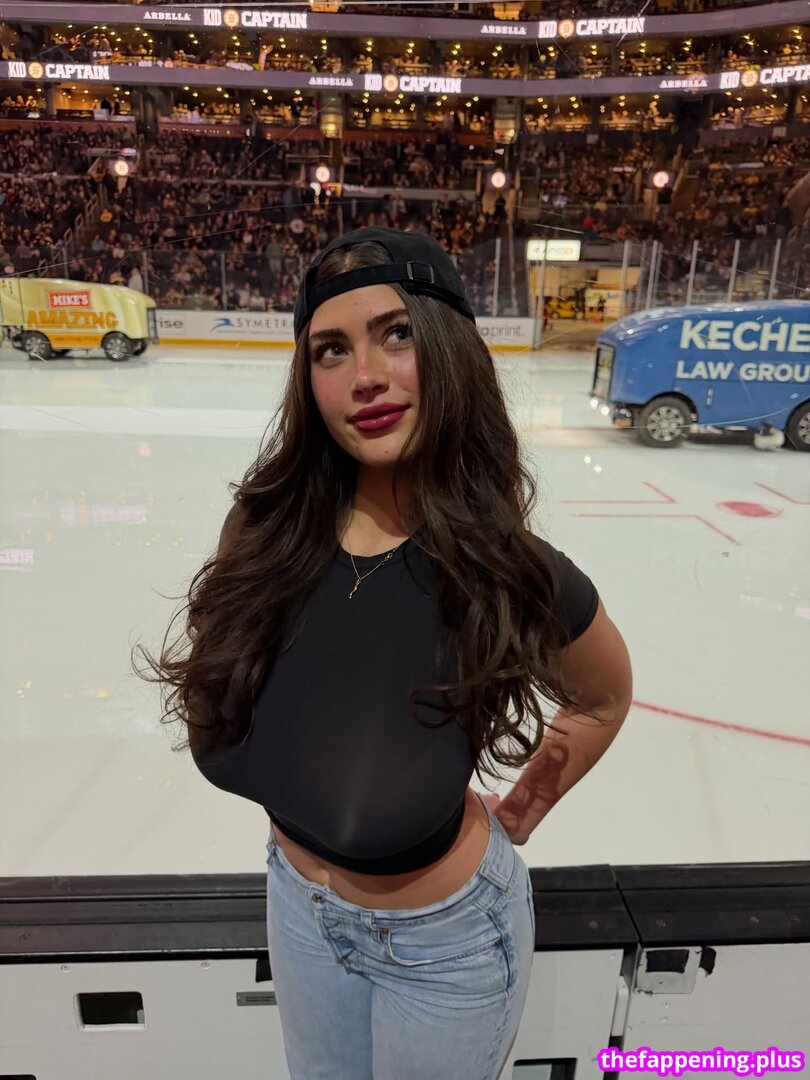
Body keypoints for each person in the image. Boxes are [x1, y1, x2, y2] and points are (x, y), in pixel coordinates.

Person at [136, 227, 632, 1078]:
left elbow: (604, 698)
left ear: (449, 349)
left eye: (395, 334)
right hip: (298, 910)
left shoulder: (512, 572)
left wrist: (526, 806)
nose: (364, 375)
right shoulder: (263, 531)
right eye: (331, 349)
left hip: (447, 947)